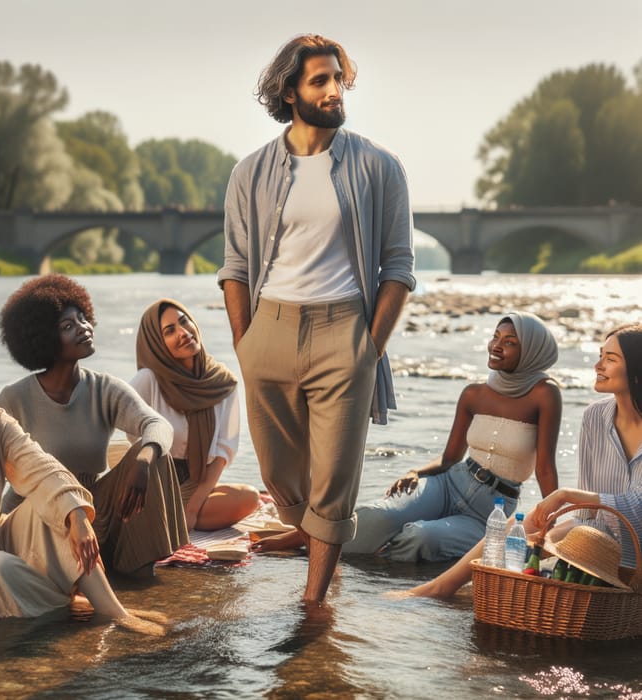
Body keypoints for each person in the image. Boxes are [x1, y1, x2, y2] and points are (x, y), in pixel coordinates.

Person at [218, 34, 415, 602]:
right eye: (319, 81)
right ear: (289, 92)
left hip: (344, 332)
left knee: (334, 480)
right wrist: (245, 344)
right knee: (280, 474)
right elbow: (234, 265)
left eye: (338, 79)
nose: (334, 90)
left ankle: (312, 605)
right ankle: (306, 529)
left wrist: (369, 349)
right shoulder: (249, 173)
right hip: (268, 331)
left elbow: (398, 267)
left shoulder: (379, 166)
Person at [254, 312, 561, 561]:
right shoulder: (474, 394)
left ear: (531, 351)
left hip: (490, 510)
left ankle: (336, 552)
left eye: (509, 342)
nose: (496, 345)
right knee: (380, 515)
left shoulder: (545, 395)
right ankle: (303, 539)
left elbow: (544, 467)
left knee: (419, 536)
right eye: (495, 337)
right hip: (450, 483)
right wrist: (416, 471)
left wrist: (551, 521)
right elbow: (450, 457)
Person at [0, 322, 167, 634]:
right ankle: (79, 605)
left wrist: (76, 516)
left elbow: (40, 465)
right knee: (0, 569)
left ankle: (113, 611)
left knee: (57, 512)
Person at [400, 322, 642, 599]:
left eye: (610, 359)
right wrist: (555, 540)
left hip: (638, 552)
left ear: (637, 371)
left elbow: (638, 505)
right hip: (599, 540)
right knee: (528, 524)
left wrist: (564, 495)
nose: (598, 366)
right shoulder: (595, 416)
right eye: (600, 355)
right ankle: (440, 587)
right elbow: (586, 513)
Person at [0, 275, 188, 577]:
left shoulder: (104, 387)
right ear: (43, 338)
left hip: (92, 512)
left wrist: (143, 460)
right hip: (37, 518)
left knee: (151, 450)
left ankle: (138, 572)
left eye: (83, 318)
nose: (84, 328)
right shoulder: (14, 397)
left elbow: (157, 424)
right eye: (68, 326)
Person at [130, 298, 260, 531]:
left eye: (184, 322)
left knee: (249, 498)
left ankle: (171, 521)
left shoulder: (222, 383)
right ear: (157, 343)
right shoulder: (148, 380)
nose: (183, 332)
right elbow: (130, 434)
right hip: (155, 484)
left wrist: (192, 508)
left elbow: (222, 452)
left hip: (198, 483)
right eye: (170, 331)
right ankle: (164, 520)